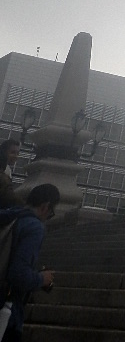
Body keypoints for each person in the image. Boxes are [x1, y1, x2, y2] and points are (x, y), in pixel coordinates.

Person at [0, 183, 59, 341]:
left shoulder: (8, 216)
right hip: (7, 312)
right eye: (51, 213)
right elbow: (18, 274)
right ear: (45, 206)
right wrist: (41, 278)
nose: (48, 217)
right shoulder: (34, 226)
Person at [0, 141, 20, 209]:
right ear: (4, 152)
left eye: (18, 153)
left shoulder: (8, 170)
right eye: (13, 152)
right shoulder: (5, 171)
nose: (16, 156)